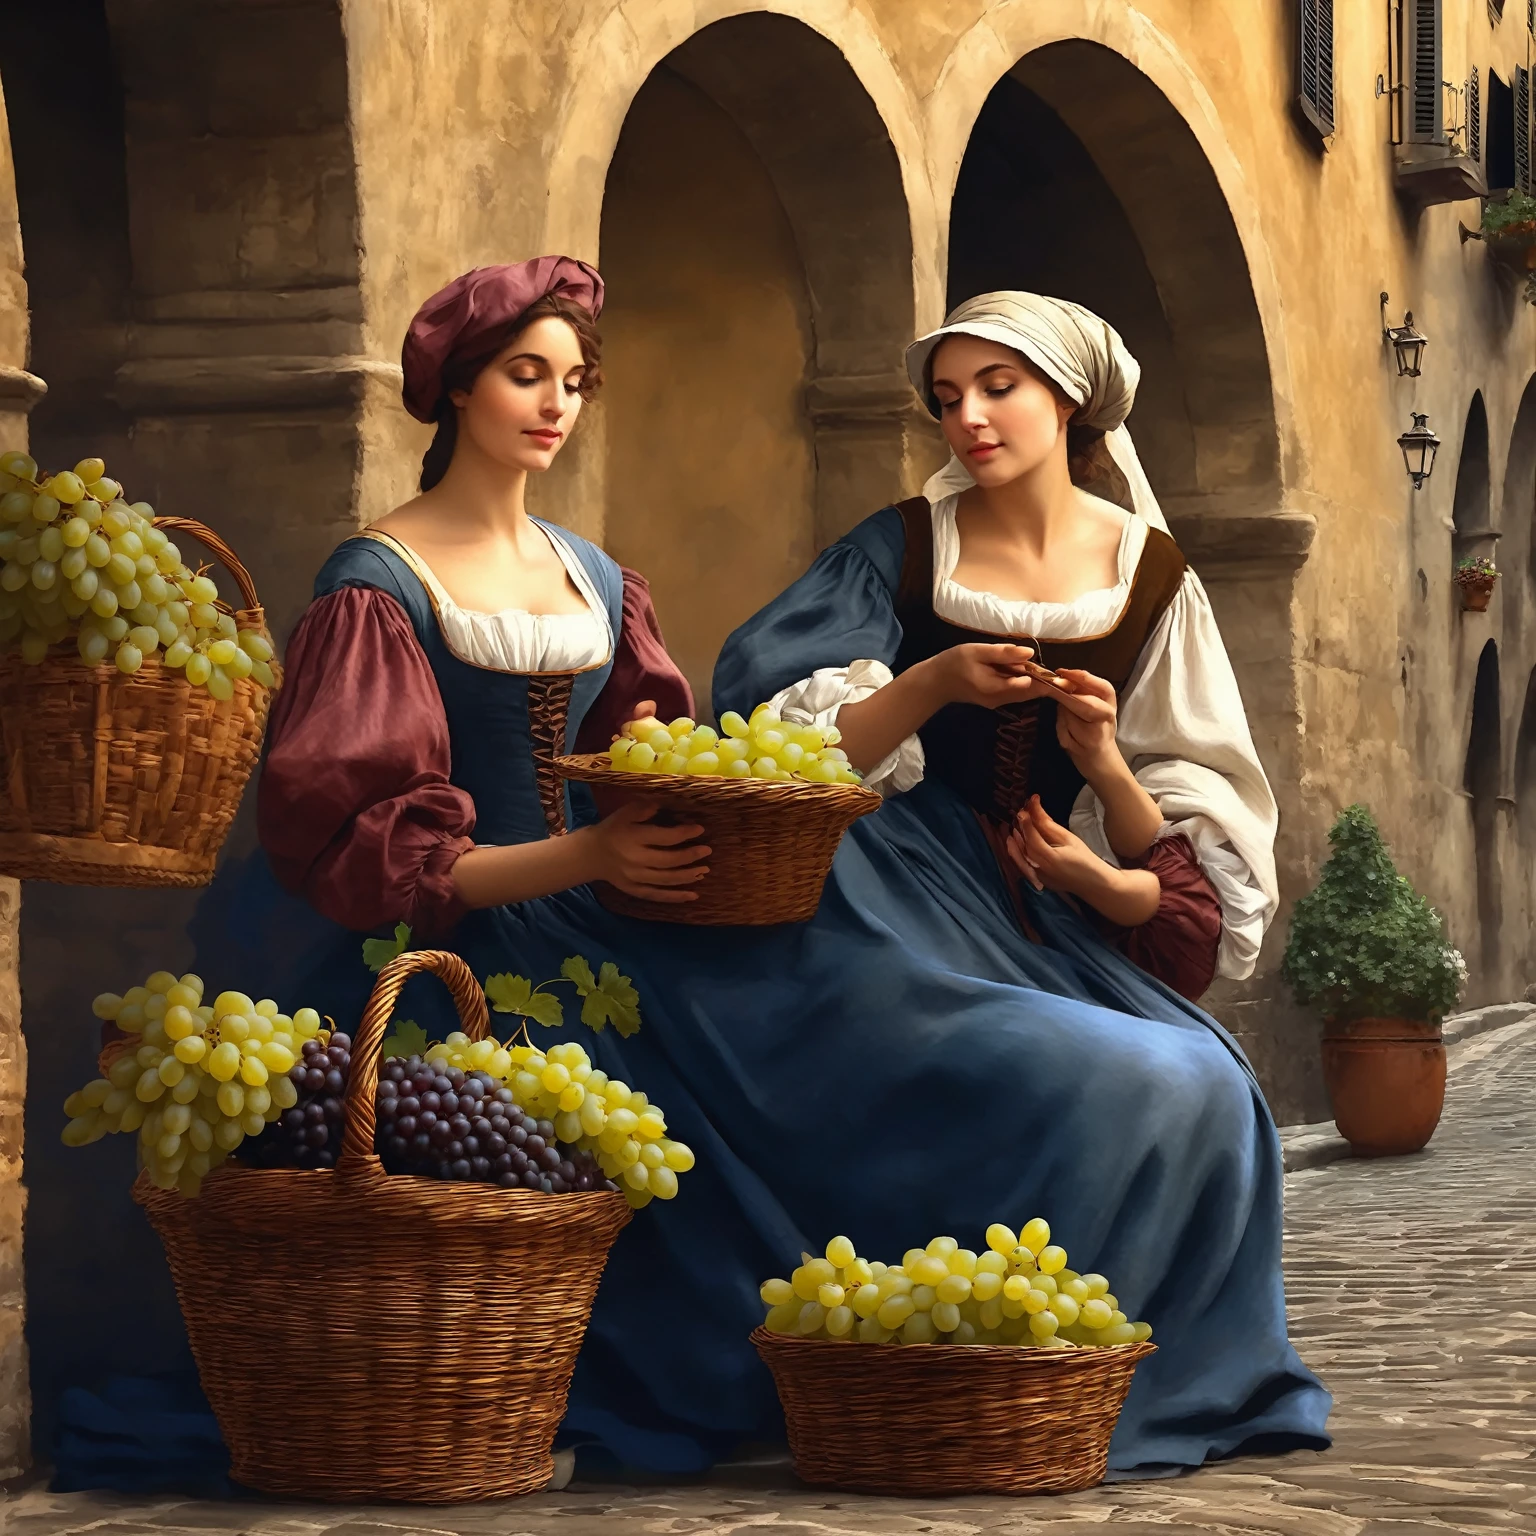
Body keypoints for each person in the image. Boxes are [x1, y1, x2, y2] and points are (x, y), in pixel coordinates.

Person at [198, 282, 1329, 1484]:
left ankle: (1044, 1369)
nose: (556, 406)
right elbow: (404, 831)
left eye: (573, 381)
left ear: (1069, 401)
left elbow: (665, 763)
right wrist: (611, 848)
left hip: (652, 907)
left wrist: (1108, 819)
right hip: (482, 932)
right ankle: (842, 1362)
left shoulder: (595, 578)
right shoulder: (381, 584)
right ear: (459, 384)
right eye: (527, 375)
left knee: (1166, 1082)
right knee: (737, 1107)